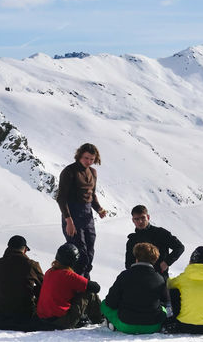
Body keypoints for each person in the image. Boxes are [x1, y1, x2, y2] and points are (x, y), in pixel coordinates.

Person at [56, 142, 107, 277]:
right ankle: (75, 285)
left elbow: (92, 194)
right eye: (86, 158)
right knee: (79, 253)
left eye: (91, 159)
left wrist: (99, 209)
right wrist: (69, 221)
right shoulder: (69, 171)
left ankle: (85, 284)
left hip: (87, 215)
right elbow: (61, 198)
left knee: (90, 252)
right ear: (79, 156)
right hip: (72, 214)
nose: (89, 162)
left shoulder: (93, 172)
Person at [101, 242, 170, 333]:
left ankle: (112, 323)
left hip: (127, 324)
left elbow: (111, 302)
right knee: (163, 309)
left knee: (104, 304)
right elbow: (165, 300)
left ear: (136, 257)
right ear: (154, 259)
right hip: (153, 326)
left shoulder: (125, 275)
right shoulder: (159, 278)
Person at [0, 234, 44, 327]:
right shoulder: (32, 265)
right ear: (24, 250)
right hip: (26, 314)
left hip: (0, 313)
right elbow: (44, 285)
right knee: (41, 286)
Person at [36, 243, 101, 329]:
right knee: (89, 293)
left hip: (44, 318)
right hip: (60, 322)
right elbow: (96, 287)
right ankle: (100, 320)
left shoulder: (49, 272)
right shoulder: (69, 276)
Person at [125, 204, 184, 278]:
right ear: (133, 220)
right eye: (137, 219)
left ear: (148, 217)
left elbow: (179, 247)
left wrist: (166, 262)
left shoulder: (160, 233)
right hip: (139, 281)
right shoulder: (132, 240)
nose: (140, 221)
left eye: (143, 218)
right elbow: (128, 264)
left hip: (160, 279)